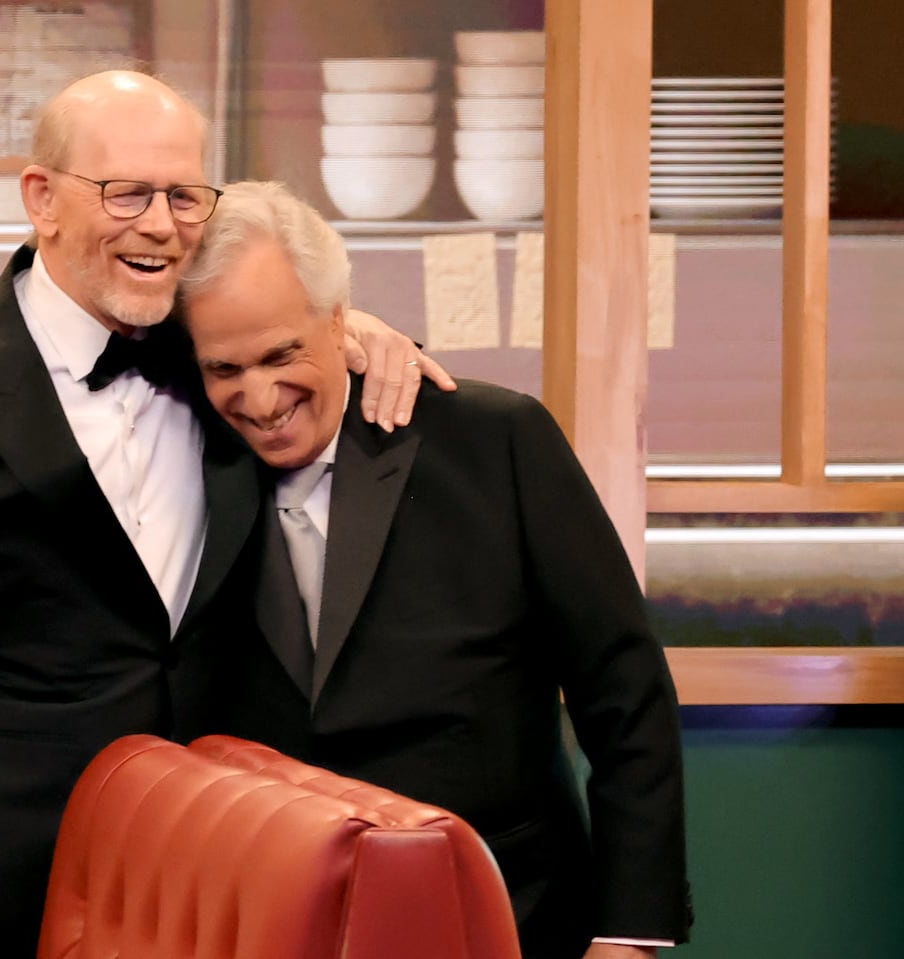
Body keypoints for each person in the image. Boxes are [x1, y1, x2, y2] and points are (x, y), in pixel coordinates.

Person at [0, 72, 451, 959]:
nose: (162, 224)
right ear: (42, 199)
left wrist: (352, 326)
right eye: (127, 193)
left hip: (190, 896)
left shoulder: (229, 370)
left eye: (183, 196)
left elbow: (290, 331)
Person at [176, 181, 692, 959]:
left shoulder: (494, 439)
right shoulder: (179, 461)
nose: (258, 397)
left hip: (512, 913)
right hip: (279, 927)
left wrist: (628, 935)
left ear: (342, 321)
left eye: (283, 354)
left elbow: (625, 692)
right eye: (225, 368)